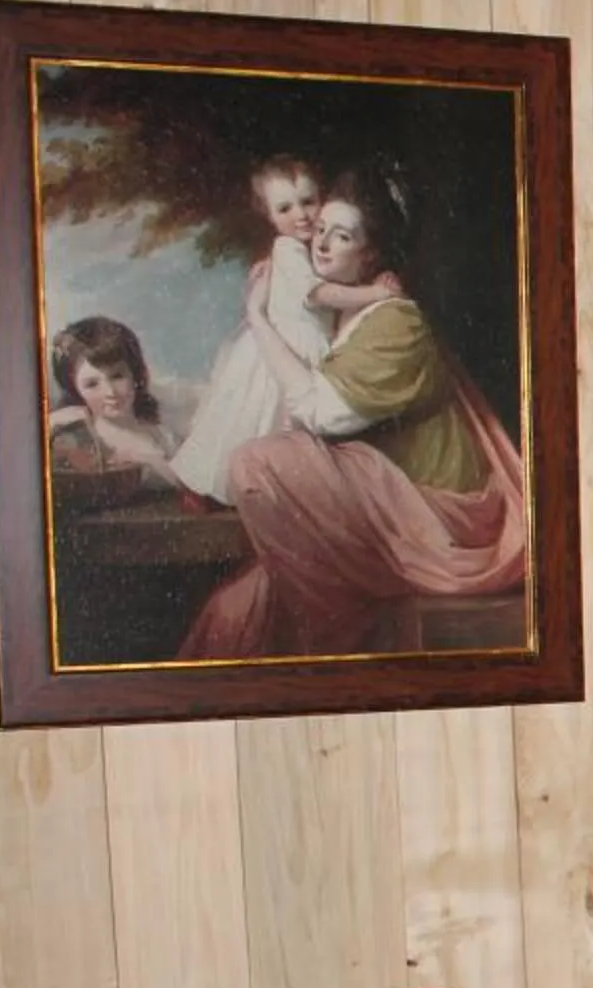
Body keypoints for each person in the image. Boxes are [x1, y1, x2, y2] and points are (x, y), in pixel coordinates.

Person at [178, 165, 527, 661]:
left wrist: (256, 319)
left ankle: (334, 634)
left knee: (259, 462)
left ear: (372, 253)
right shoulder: (344, 311)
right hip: (379, 506)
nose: (320, 245)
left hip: (435, 518)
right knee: (232, 613)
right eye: (320, 230)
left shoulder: (396, 323)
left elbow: (324, 416)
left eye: (340, 237)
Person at [165, 156, 399, 503]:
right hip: (280, 350)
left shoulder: (313, 247)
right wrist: (375, 294)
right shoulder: (287, 249)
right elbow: (319, 294)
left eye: (308, 202)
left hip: (299, 347)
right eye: (285, 208)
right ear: (270, 217)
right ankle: (215, 489)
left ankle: (277, 492)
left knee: (285, 429)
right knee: (252, 421)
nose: (301, 215)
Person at [45, 315, 178, 475]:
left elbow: (191, 489)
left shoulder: (162, 436)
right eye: (92, 384)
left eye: (117, 376)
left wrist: (154, 460)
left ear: (135, 374)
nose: (110, 392)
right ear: (76, 390)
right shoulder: (81, 440)